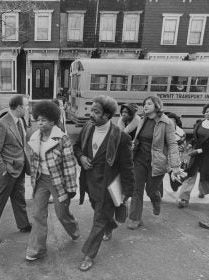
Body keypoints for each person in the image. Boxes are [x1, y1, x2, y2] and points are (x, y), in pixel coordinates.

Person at [73, 95, 134, 271]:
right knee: (98, 210)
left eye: (96, 112)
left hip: (108, 187)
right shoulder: (87, 128)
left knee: (98, 219)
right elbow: (77, 147)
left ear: (107, 116)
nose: (91, 114)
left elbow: (127, 167)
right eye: (91, 110)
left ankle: (89, 255)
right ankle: (111, 225)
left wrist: (126, 191)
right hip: (90, 183)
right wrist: (81, 157)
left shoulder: (120, 137)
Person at [25, 101, 79, 261]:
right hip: (41, 180)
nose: (39, 123)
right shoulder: (35, 137)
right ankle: (37, 249)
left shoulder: (62, 139)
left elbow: (70, 164)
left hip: (58, 183)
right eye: (38, 120)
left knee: (61, 213)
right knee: (38, 215)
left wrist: (71, 187)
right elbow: (34, 162)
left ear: (53, 121)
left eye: (43, 120)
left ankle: (73, 228)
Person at [127, 96, 182, 230]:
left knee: (151, 189)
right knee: (136, 189)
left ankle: (156, 201)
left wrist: (175, 166)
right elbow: (138, 138)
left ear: (157, 106)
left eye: (149, 104)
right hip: (139, 159)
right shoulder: (143, 119)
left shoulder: (166, 122)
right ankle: (135, 218)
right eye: (144, 103)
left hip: (156, 161)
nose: (145, 106)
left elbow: (172, 144)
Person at [0, 95, 32, 244]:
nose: (28, 108)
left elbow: (21, 145)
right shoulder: (1, 124)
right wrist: (3, 169)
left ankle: (23, 224)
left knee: (19, 198)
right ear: (18, 107)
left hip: (19, 168)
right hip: (7, 171)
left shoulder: (20, 121)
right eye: (26, 106)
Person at [177, 104, 209, 208]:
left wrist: (200, 150)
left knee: (205, 176)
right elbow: (195, 137)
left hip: (207, 155)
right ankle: (184, 198)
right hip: (195, 154)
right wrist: (190, 144)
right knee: (190, 174)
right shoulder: (200, 123)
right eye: (207, 111)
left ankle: (202, 191)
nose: (208, 113)